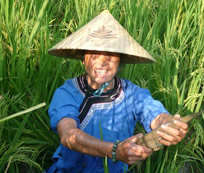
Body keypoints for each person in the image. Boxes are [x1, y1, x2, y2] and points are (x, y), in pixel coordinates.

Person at [46, 10, 188, 173]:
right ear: (83, 58)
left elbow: (154, 114)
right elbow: (68, 135)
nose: (102, 62)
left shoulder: (132, 94)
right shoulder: (68, 92)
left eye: (111, 55)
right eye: (94, 53)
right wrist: (114, 151)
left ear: (120, 59)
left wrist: (169, 124)